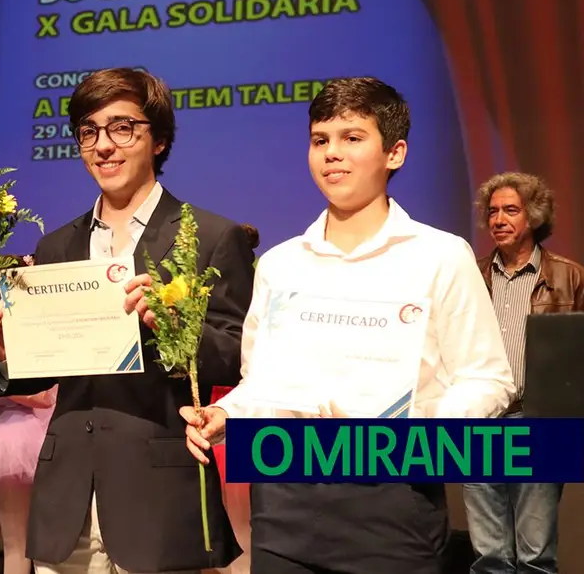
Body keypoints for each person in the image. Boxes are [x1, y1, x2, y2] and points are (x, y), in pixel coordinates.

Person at [180, 77, 516, 574]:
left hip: (392, 502)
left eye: (352, 138)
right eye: (321, 140)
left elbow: (489, 378)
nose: (332, 153)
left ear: (395, 153)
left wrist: (427, 436)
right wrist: (226, 414)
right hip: (284, 500)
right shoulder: (280, 263)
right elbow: (265, 383)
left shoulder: (440, 256)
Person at [0, 68, 252, 574]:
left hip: (161, 499)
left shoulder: (210, 235)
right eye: (89, 131)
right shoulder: (55, 246)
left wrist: (169, 326)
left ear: (159, 139)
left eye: (122, 128)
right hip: (67, 501)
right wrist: (4, 349)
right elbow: (42, 371)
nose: (104, 145)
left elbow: (235, 355)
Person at [463, 172, 584, 574]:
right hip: (480, 421)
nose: (498, 219)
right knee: (489, 556)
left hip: (539, 423)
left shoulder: (570, 277)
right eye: (493, 211)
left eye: (510, 210)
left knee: (535, 555)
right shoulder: (470, 278)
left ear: (533, 216)